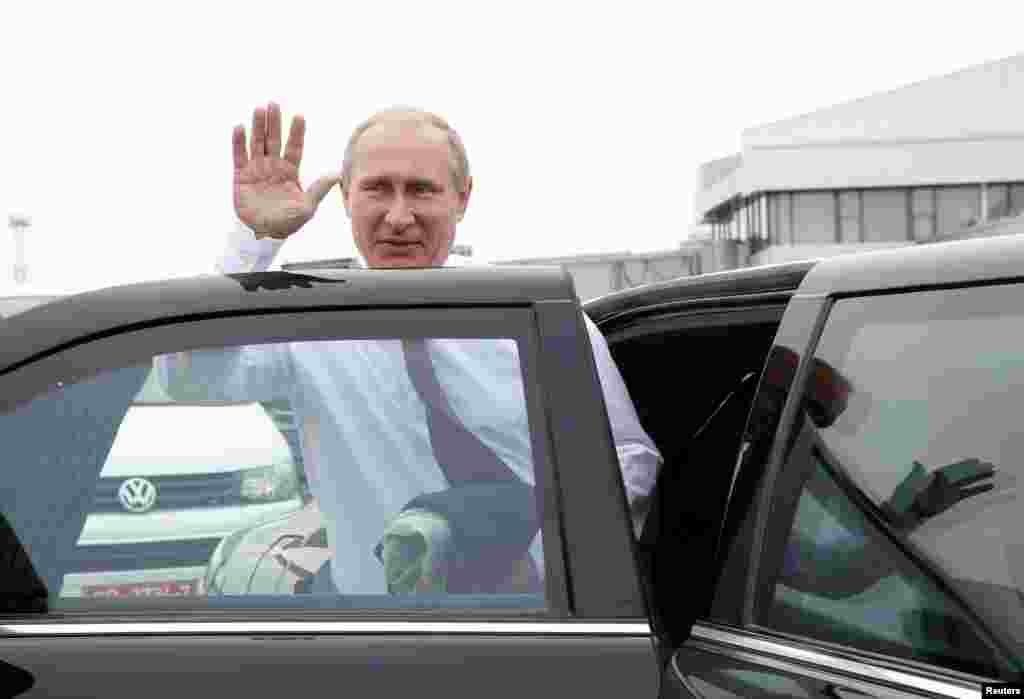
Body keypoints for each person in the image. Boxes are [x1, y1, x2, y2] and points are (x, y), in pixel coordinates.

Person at [157, 102, 662, 595]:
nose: (399, 217)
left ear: (462, 198)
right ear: (346, 198)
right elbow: (189, 374)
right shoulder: (310, 322)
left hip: (543, 626)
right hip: (383, 636)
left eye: (421, 190)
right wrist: (255, 240)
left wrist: (523, 537)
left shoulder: (537, 318)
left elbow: (628, 461)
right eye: (378, 189)